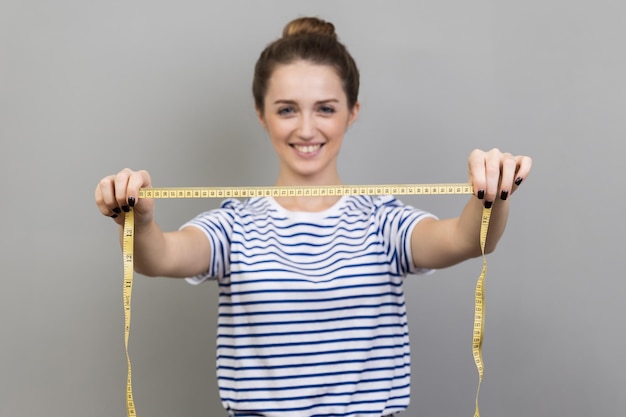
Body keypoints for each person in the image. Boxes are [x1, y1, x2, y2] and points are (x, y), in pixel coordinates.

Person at [95, 16, 532, 417]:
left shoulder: (383, 221)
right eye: (287, 109)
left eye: (325, 108)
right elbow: (159, 257)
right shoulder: (233, 227)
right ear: (261, 115)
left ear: (352, 113)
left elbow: (468, 239)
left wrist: (491, 192)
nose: (306, 129)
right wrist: (139, 220)